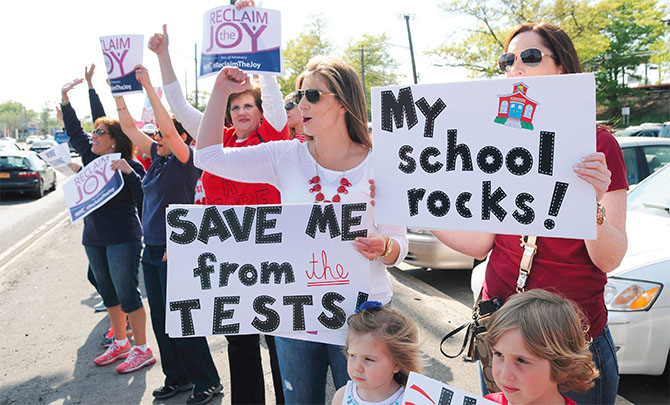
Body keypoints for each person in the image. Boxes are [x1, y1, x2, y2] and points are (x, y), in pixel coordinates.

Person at [194, 55, 409, 404]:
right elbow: (208, 157)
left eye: (312, 95)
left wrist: (384, 246)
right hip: (296, 315)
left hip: (363, 316)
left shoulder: (379, 161)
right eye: (297, 96)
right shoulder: (284, 156)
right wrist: (219, 90)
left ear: (342, 103)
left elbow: (399, 246)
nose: (300, 104)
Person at [431, 22, 627, 404]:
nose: (515, 67)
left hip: (567, 343)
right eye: (508, 59)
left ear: (561, 67)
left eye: (531, 57)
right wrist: (419, 209)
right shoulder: (496, 140)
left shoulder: (599, 143)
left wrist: (591, 205)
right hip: (502, 335)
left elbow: (610, 257)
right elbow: (479, 244)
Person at [148, 22, 288, 405]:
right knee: (240, 347)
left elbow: (271, 85)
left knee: (280, 346)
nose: (242, 111)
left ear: (262, 113)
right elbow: (179, 107)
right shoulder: (216, 143)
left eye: (249, 106)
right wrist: (163, 57)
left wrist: (256, 25)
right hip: (230, 265)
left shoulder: (274, 137)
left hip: (273, 259)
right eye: (235, 106)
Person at [114, 65, 223, 405]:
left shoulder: (186, 160)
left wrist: (148, 85)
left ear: (182, 139)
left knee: (184, 320)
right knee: (163, 322)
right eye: (158, 136)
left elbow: (170, 132)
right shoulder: (157, 160)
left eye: (162, 135)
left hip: (177, 250)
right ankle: (178, 378)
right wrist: (118, 89)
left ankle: (207, 381)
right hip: (152, 251)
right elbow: (129, 128)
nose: (157, 138)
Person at [60, 78, 153, 374]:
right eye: (94, 131)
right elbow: (74, 132)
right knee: (108, 292)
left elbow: (143, 200)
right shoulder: (89, 159)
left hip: (122, 237)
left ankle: (142, 348)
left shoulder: (129, 165)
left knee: (127, 292)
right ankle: (121, 343)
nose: (93, 136)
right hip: (94, 237)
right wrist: (65, 100)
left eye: (100, 132)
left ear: (114, 139)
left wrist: (128, 174)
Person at [483, 289, 599, 405]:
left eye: (521, 360)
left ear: (562, 367)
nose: (505, 375)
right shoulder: (488, 402)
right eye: (499, 354)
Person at [331, 301, 421, 405]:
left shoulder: (409, 401)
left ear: (396, 364)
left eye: (368, 359)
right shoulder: (342, 397)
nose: (357, 367)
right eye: (352, 355)